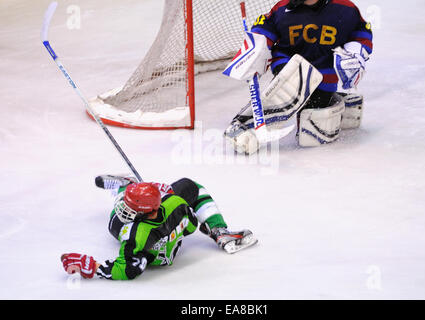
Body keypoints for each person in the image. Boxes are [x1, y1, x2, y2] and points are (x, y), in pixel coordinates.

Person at [224, 0, 373, 153]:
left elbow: (362, 32)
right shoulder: (282, 8)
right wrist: (256, 46)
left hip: (324, 75)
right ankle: (243, 125)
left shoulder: (345, 8)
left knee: (313, 132)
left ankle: (338, 102)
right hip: (288, 63)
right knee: (288, 90)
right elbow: (264, 27)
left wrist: (356, 50)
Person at [61, 175, 257, 280]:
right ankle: (219, 231)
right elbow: (191, 226)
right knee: (191, 186)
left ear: (143, 212)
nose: (126, 209)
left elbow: (128, 270)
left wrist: (93, 267)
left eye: (132, 207)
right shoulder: (175, 203)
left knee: (117, 214)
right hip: (168, 240)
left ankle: (125, 186)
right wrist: (163, 196)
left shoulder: (134, 237)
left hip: (151, 249)